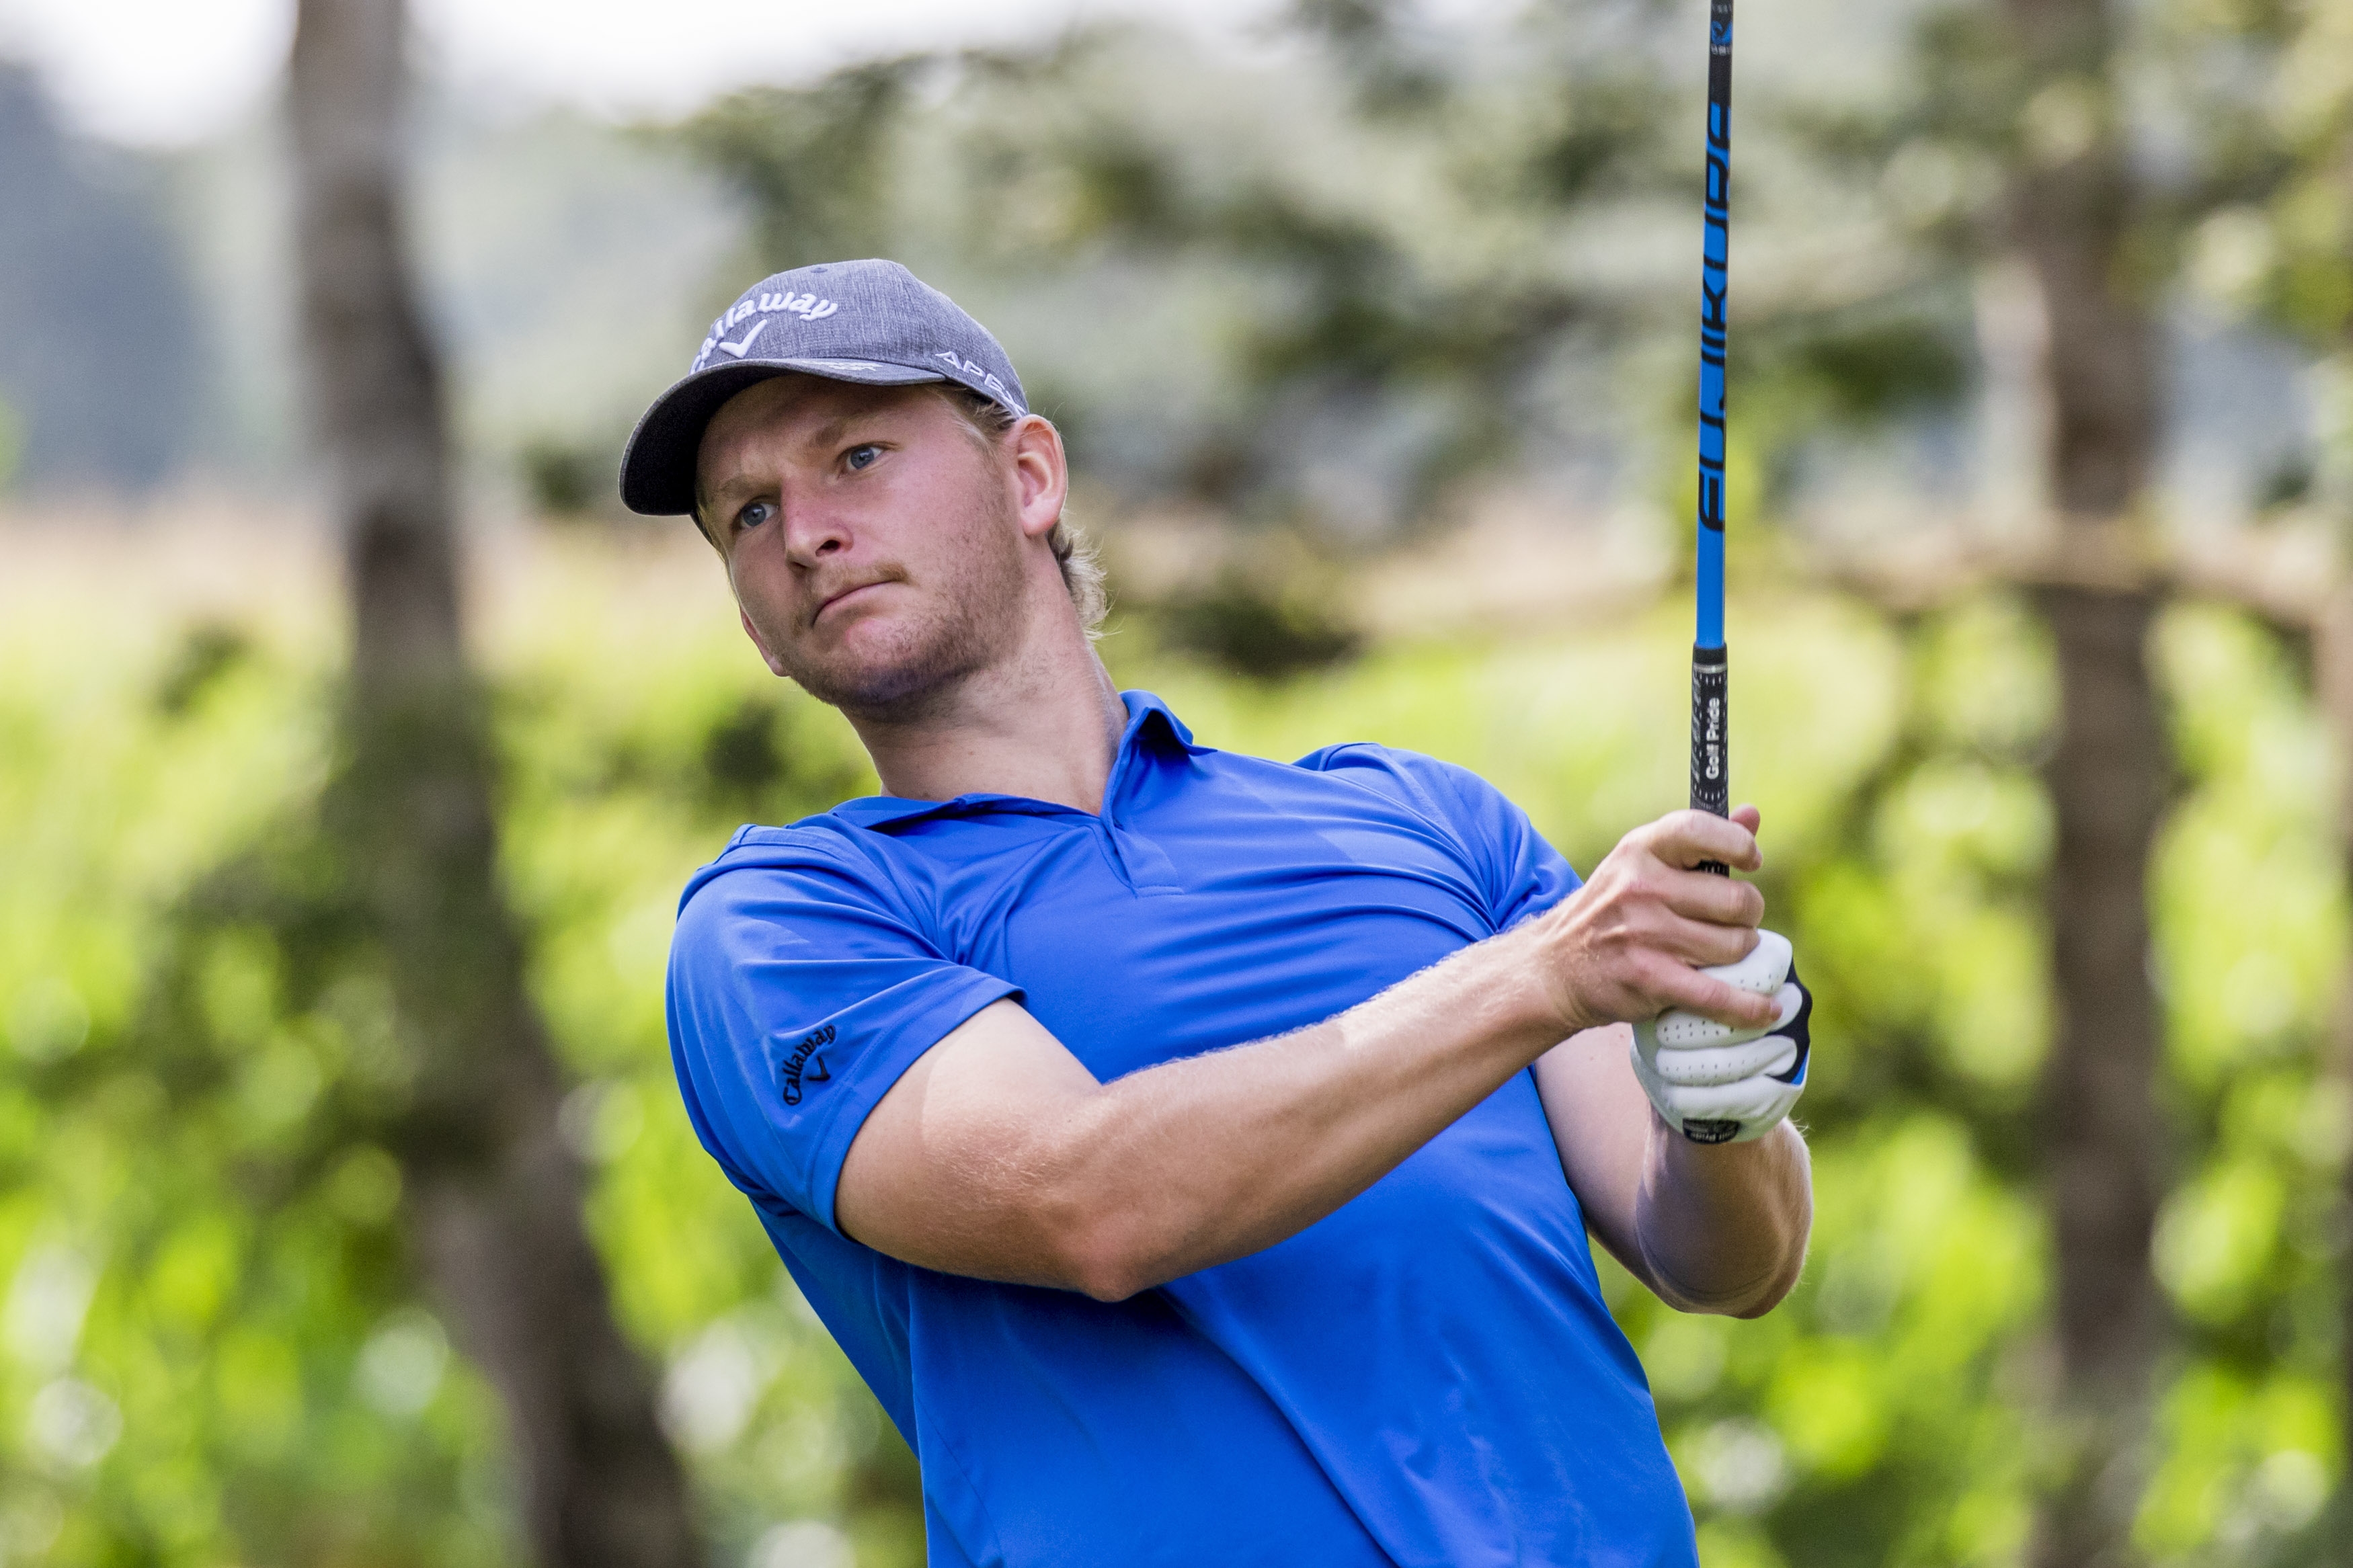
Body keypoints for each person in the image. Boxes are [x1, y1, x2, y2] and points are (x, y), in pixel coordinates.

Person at [623, 259, 1816, 1567]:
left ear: (1028, 478)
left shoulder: (1424, 824)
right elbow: (1092, 1203)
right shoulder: (788, 925)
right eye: (745, 512)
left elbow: (1721, 1263)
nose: (801, 532)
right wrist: (1545, 977)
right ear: (753, 625)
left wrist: (1719, 1114)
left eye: (854, 456)